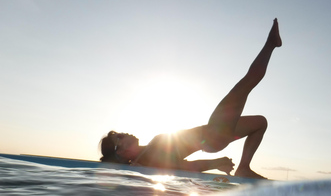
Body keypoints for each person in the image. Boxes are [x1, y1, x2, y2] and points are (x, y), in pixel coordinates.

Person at [100, 18, 282, 179]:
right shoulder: (148, 158)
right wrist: (215, 163)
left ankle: (244, 168)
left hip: (212, 135)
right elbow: (182, 167)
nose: (125, 133)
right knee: (245, 85)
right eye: (120, 137)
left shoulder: (148, 151)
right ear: (121, 152)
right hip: (213, 134)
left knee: (260, 123)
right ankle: (271, 44)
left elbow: (177, 163)